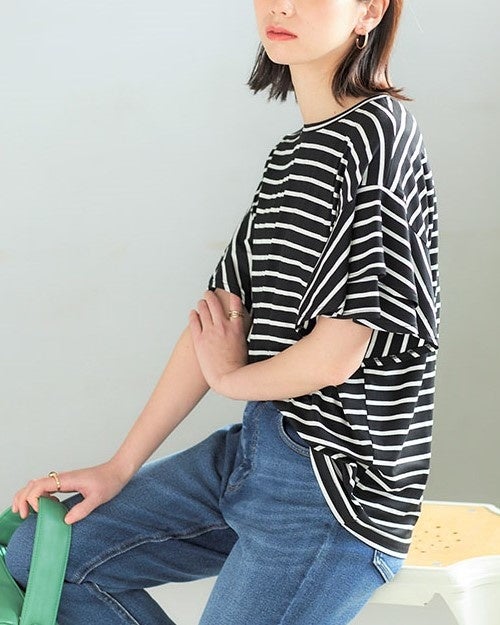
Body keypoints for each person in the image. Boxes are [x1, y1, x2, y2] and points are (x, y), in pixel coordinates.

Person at [6, 0, 440, 623]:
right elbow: (216, 318)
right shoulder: (294, 155)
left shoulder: (379, 136)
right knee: (47, 555)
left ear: (369, 10)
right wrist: (119, 466)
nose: (281, 6)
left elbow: (337, 354)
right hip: (254, 451)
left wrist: (231, 378)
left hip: (333, 489)